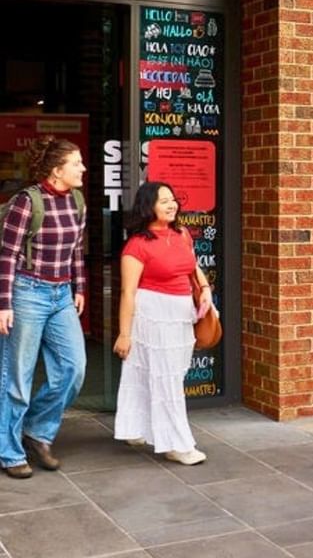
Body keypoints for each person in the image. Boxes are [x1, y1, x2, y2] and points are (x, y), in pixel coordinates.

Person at [0, 136, 87, 479]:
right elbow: (6, 256)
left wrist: (79, 287)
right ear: (56, 170)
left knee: (74, 368)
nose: (82, 168)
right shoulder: (27, 201)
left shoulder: (77, 200)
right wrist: (3, 304)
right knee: (17, 378)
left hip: (62, 294)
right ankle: (9, 452)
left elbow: (77, 250)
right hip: (27, 292)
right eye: (76, 163)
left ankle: (36, 430)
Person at [113, 181, 212, 464]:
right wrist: (124, 334)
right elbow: (128, 292)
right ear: (148, 207)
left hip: (181, 313)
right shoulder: (137, 245)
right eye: (163, 201)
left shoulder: (181, 233)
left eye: (173, 200)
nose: (172, 205)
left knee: (165, 373)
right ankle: (176, 444)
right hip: (151, 314)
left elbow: (192, 266)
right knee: (163, 377)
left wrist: (204, 287)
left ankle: (135, 427)